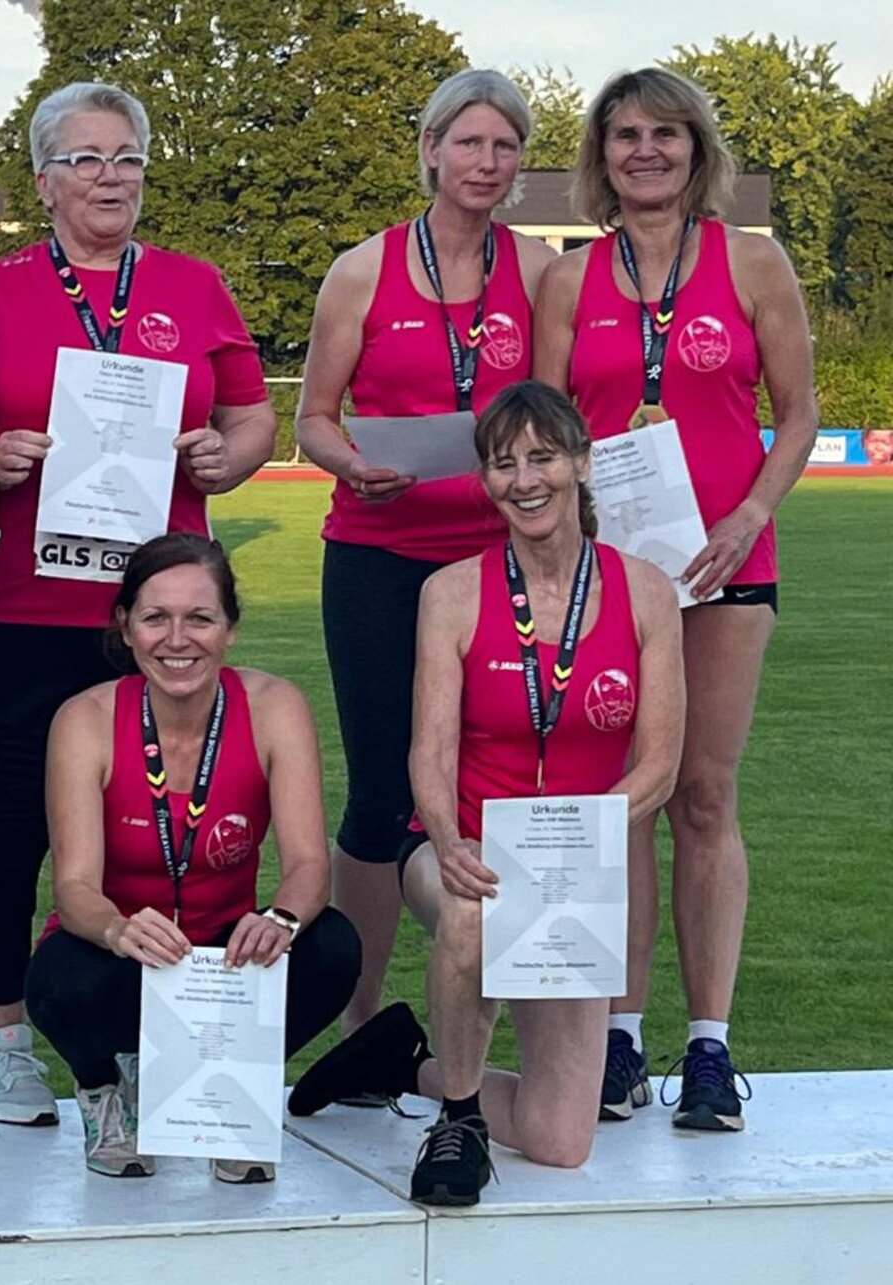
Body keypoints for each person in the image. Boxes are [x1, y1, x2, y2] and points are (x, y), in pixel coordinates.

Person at [0, 80, 276, 1127]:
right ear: (42, 181)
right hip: (12, 606)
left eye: (126, 157)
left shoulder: (192, 284)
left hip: (157, 620)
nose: (108, 177)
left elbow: (251, 417)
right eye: (84, 159)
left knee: (159, 828)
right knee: (0, 828)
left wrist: (227, 456)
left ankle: (145, 1041)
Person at [289, 380, 685, 1206]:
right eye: (503, 463)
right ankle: (460, 1119)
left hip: (573, 873)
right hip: (456, 850)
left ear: (582, 463)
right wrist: (450, 839)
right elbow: (427, 752)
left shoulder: (646, 590)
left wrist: (576, 844)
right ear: (486, 480)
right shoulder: (453, 592)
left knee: (560, 1139)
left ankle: (403, 1061)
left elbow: (661, 763)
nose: (524, 479)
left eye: (542, 457)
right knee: (472, 915)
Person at [535, 67, 817, 1129]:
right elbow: (547, 427)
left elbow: (796, 412)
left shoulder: (752, 261)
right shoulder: (570, 279)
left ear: (697, 149)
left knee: (702, 794)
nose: (644, 151)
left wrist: (749, 512)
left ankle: (708, 1046)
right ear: (600, 157)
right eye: (624, 135)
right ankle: (619, 1037)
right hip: (612, 574)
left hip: (724, 564)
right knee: (624, 801)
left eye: (664, 133)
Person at [295, 70, 557, 1046]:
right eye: (469, 143)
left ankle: (525, 1006)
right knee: (378, 791)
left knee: (501, 785)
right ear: (431, 149)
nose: (486, 163)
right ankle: (359, 1019)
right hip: (376, 556)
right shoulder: (361, 271)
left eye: (504, 147)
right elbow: (311, 418)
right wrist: (351, 465)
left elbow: (556, 418)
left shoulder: (542, 273)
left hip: (499, 565)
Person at [26, 532, 360, 1184]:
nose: (177, 639)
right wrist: (119, 929)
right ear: (126, 626)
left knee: (332, 946)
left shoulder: (275, 707)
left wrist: (280, 920)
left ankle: (232, 1090)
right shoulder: (85, 719)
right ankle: (107, 1089)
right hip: (126, 951)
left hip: (226, 957)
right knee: (59, 981)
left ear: (230, 628)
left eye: (200, 618)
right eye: (156, 617)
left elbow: (308, 865)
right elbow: (74, 887)